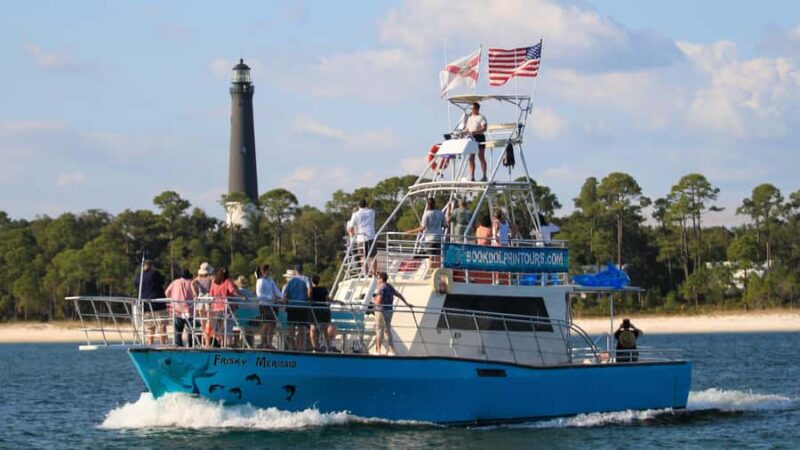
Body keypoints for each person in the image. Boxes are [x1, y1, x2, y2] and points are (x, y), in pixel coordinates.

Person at [372, 272, 408, 355]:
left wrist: (373, 300)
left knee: (379, 330)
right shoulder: (389, 287)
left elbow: (378, 302)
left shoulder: (381, 288)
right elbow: (399, 295)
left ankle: (378, 351)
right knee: (387, 330)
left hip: (381, 311)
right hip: (389, 311)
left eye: (378, 278)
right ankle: (392, 350)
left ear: (381, 279)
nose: (377, 280)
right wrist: (407, 303)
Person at [133, 260, 167, 345]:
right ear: (151, 265)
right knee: (162, 325)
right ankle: (163, 344)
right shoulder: (155, 274)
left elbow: (136, 285)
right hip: (159, 305)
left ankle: (150, 343)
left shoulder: (138, 276)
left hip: (146, 306)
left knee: (150, 327)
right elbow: (163, 281)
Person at [406, 197, 447, 262]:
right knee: (437, 257)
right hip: (438, 238)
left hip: (429, 239)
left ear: (428, 205)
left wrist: (410, 231)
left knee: (430, 257)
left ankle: (431, 270)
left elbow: (422, 227)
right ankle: (437, 269)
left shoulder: (426, 214)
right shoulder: (440, 213)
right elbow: (445, 225)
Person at [282, 264, 312, 350]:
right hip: (302, 306)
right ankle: (300, 347)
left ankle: (292, 346)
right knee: (301, 327)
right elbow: (309, 291)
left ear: (295, 271)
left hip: (292, 306)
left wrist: (286, 303)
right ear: (302, 270)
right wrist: (309, 299)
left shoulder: (291, 281)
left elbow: (285, 294)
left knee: (291, 326)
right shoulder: (306, 279)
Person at [208, 267, 238, 347]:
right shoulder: (227, 281)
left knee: (220, 329)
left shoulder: (214, 282)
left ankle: (222, 343)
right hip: (226, 309)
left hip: (215, 309)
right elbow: (233, 291)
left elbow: (211, 295)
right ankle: (229, 345)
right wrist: (241, 296)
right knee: (228, 328)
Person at [165, 268, 195, 347]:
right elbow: (196, 295)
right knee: (191, 330)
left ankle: (178, 346)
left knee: (177, 331)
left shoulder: (175, 282)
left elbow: (167, 292)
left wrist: (171, 300)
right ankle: (191, 345)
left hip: (176, 310)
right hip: (190, 310)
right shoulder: (191, 283)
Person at [255, 264, 282, 349]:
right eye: (268, 270)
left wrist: (282, 297)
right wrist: (270, 298)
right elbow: (259, 295)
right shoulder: (260, 281)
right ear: (264, 271)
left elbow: (276, 291)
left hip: (273, 305)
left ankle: (269, 343)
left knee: (272, 324)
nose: (269, 272)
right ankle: (263, 343)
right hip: (264, 305)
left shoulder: (270, 280)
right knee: (266, 324)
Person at [309, 274, 338, 352]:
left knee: (313, 329)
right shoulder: (323, 289)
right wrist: (337, 301)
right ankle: (329, 346)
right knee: (325, 330)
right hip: (324, 310)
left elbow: (309, 299)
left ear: (312, 281)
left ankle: (315, 347)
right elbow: (328, 299)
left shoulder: (311, 290)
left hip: (315, 311)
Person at [348, 199, 377, 275]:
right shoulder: (372, 212)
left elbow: (350, 228)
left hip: (361, 238)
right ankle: (374, 273)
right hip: (371, 236)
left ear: (358, 206)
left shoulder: (355, 214)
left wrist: (352, 234)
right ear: (366, 204)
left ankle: (365, 273)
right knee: (373, 256)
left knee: (362, 257)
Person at [465, 102, 487, 182]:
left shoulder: (481, 117)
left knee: (481, 156)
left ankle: (484, 175)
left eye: (472, 108)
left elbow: (484, 128)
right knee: (471, 158)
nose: (471, 110)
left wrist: (476, 131)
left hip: (479, 137)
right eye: (471, 109)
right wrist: (464, 132)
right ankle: (472, 176)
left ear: (477, 109)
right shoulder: (470, 118)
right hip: (471, 137)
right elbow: (467, 129)